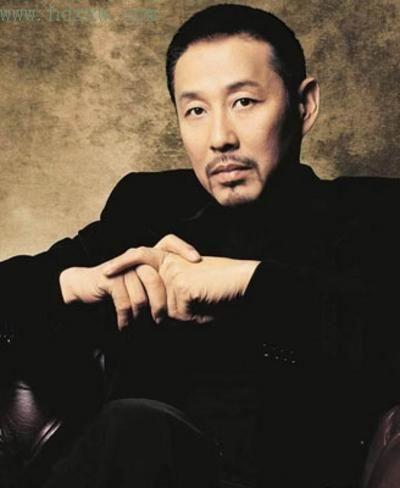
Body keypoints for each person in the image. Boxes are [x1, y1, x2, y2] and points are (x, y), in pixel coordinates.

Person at [1, 4, 399, 487]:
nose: (219, 138)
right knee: (131, 428)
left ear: (304, 105)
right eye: (195, 110)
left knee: (136, 426)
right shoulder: (147, 207)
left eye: (244, 102)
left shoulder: (371, 215)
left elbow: (378, 332)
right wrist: (70, 284)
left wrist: (249, 282)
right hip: (118, 467)